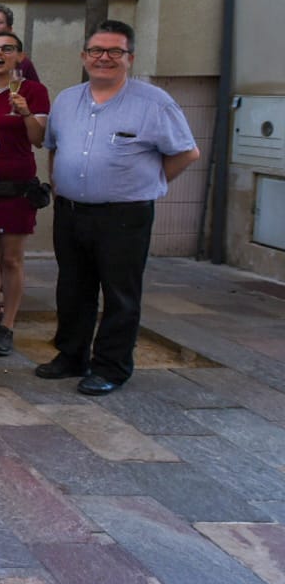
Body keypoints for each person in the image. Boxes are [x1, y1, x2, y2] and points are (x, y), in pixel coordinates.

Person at [40, 20, 198, 395]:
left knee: (120, 294)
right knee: (73, 288)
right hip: (72, 212)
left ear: (130, 58)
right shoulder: (66, 100)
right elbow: (55, 149)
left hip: (124, 216)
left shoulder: (154, 103)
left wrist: (147, 184)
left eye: (115, 52)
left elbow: (187, 153)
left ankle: (111, 366)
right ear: (84, 56)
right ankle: (71, 356)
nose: (104, 58)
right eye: (97, 51)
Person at [0, 32, 51, 357]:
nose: (0, 53)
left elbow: (38, 139)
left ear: (20, 56)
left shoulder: (33, 91)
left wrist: (26, 114)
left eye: (8, 48)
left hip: (18, 190)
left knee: (12, 259)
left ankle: (8, 324)